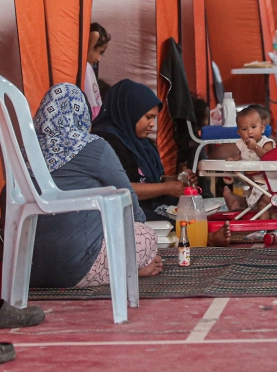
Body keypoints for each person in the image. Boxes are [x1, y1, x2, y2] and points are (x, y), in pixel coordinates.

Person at [29, 83, 161, 289]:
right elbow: (127, 197)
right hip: (76, 267)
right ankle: (131, 267)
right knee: (146, 236)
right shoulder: (92, 145)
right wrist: (142, 237)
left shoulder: (26, 151)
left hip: (30, 271)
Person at [93, 79, 230, 245]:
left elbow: (150, 179)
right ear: (130, 112)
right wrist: (167, 188)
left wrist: (176, 180)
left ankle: (202, 234)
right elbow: (123, 189)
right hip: (121, 208)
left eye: (154, 118)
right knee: (160, 218)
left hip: (148, 202)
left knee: (189, 207)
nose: (152, 124)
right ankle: (206, 238)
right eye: (148, 117)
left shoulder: (142, 143)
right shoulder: (106, 142)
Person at [84, 23, 111, 118]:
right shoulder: (84, 64)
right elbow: (95, 34)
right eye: (100, 52)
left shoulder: (88, 68)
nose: (99, 58)